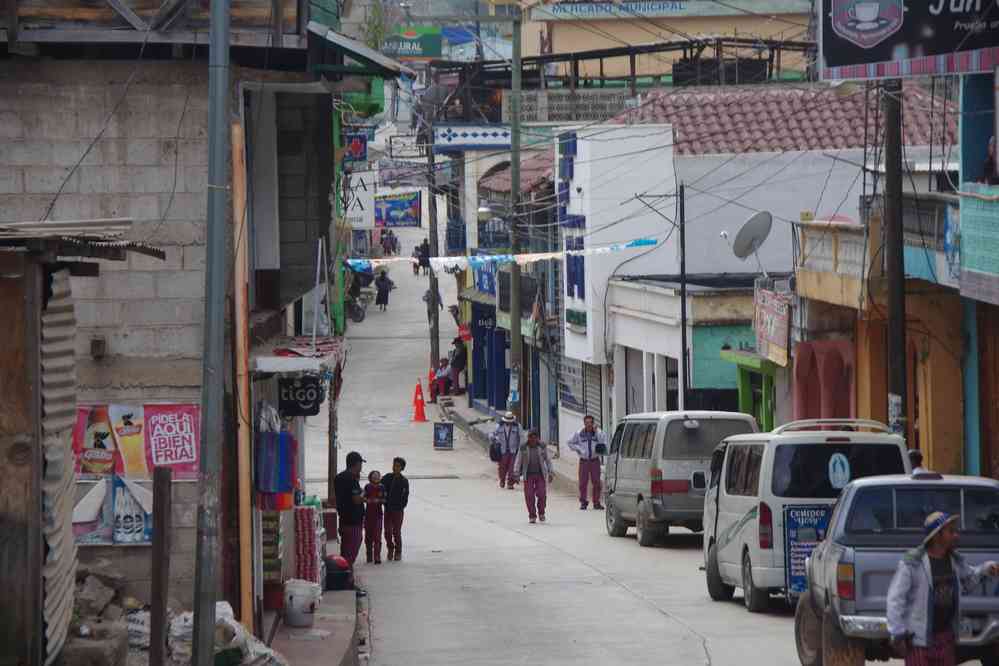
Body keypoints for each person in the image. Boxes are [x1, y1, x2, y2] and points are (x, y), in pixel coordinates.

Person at [887, 512, 999, 665]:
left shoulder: (954, 560)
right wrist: (897, 633)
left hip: (946, 639)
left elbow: (968, 582)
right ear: (936, 536)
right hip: (919, 641)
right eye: (951, 531)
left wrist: (985, 569)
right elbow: (895, 599)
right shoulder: (913, 563)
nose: (956, 535)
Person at [512, 430, 554, 524]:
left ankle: (541, 512)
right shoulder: (523, 447)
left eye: (535, 438)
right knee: (529, 495)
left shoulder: (542, 446)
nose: (533, 440)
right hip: (528, 475)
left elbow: (548, 460)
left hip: (540, 474)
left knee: (542, 494)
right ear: (528, 438)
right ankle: (532, 515)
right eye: (531, 438)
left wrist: (551, 472)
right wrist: (516, 473)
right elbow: (518, 460)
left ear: (537, 438)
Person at [334, 451, 366, 567]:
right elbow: (356, 499)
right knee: (350, 552)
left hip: (344, 519)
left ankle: (344, 572)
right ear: (357, 464)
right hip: (353, 521)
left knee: (345, 550)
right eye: (360, 464)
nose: (361, 467)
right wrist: (364, 493)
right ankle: (346, 575)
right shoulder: (352, 479)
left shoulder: (338, 477)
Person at [568, 415, 607, 510]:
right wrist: (579, 449)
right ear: (584, 423)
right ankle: (583, 502)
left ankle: (596, 502)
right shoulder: (579, 433)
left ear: (593, 423)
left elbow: (603, 441)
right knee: (582, 483)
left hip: (594, 460)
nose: (589, 425)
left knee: (597, 482)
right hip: (584, 461)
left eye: (590, 423)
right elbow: (570, 442)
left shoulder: (598, 432)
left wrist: (597, 432)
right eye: (587, 423)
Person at [381, 457, 410, 561]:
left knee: (396, 532)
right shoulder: (387, 477)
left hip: (398, 511)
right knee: (387, 531)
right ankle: (390, 548)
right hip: (388, 509)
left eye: (398, 466)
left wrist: (400, 506)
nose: (395, 467)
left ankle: (398, 551)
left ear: (402, 468)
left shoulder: (404, 481)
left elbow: (405, 496)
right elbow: (380, 487)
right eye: (394, 465)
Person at [490, 411, 522, 489]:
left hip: (513, 450)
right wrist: (494, 439)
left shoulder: (517, 426)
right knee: (502, 467)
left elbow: (522, 437)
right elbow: (492, 434)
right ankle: (502, 480)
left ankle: (510, 483)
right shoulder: (499, 426)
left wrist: (520, 448)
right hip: (502, 450)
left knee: (512, 467)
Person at [364, 470, 385, 564]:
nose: (376, 477)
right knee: (368, 536)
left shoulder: (382, 487)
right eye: (374, 476)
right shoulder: (367, 487)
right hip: (368, 515)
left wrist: (379, 501)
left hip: (378, 516)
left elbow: (385, 499)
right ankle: (369, 555)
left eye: (377, 476)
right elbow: (362, 497)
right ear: (370, 477)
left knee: (377, 536)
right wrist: (367, 500)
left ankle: (377, 556)